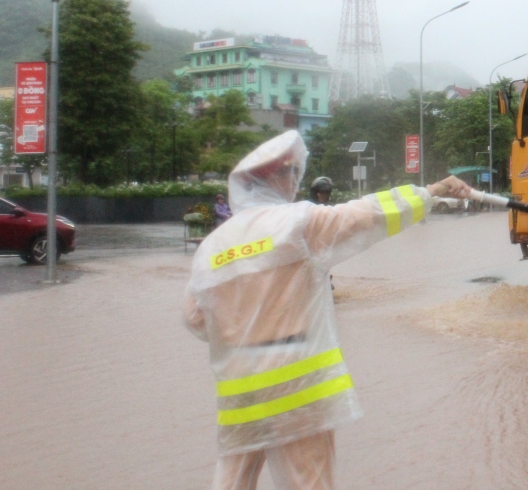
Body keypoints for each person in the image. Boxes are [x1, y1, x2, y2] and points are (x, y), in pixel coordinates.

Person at [183, 130, 471, 490]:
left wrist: (244, 327)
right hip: (298, 386)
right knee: (309, 481)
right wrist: (431, 191)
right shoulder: (295, 224)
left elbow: (195, 318)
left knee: (233, 480)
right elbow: (366, 214)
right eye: (290, 173)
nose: (294, 181)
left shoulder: (212, 246)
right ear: (274, 177)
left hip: (240, 391)